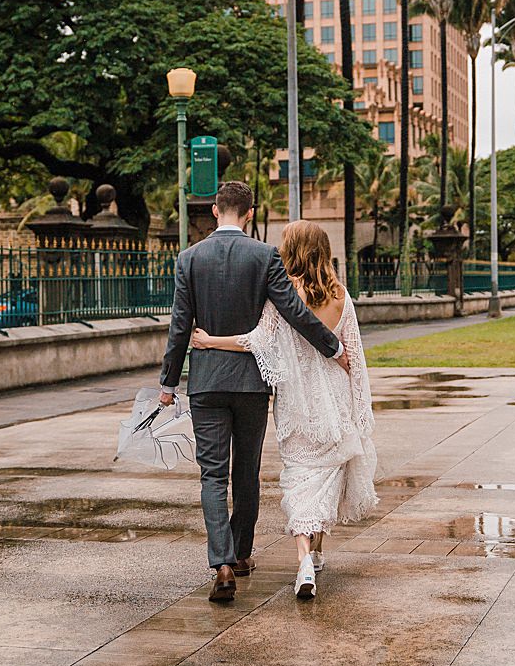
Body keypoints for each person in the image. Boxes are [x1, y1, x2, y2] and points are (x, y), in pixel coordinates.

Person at [157, 183, 349, 603]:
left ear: (213, 210)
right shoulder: (264, 256)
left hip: (206, 382)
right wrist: (333, 347)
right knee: (246, 472)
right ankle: (242, 554)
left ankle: (221, 562)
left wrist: (169, 383)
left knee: (212, 475)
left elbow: (179, 326)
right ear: (250, 213)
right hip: (250, 383)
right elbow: (294, 312)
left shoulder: (189, 259)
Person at [190, 220, 379, 600]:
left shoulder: (282, 296)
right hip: (335, 401)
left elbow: (256, 341)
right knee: (326, 476)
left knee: (299, 479)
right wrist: (360, 409)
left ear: (294, 251)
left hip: (295, 405)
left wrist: (211, 341)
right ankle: (315, 554)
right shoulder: (342, 297)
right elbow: (354, 358)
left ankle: (305, 556)